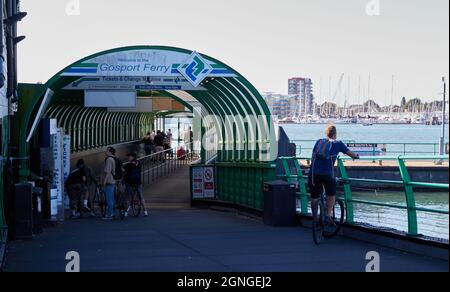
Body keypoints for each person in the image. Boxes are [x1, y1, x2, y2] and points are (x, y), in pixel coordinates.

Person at [309, 125, 359, 225]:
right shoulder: (338, 143)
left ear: (326, 133)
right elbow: (350, 153)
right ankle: (327, 215)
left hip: (314, 173)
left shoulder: (319, 141)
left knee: (314, 196)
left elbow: (313, 155)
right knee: (331, 195)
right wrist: (356, 156)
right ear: (335, 134)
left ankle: (314, 218)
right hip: (327, 173)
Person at [123, 152, 148, 217]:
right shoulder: (139, 163)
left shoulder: (128, 165)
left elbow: (123, 170)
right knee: (141, 196)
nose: (128, 157)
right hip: (138, 181)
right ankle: (145, 211)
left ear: (132, 157)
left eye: (129, 156)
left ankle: (125, 212)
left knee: (127, 197)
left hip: (130, 182)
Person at [102, 146, 116, 220]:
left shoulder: (109, 160)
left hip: (109, 181)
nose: (105, 152)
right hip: (113, 180)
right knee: (112, 198)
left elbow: (108, 171)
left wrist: (104, 181)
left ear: (110, 151)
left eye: (107, 150)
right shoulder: (113, 159)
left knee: (109, 198)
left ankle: (110, 214)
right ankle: (112, 213)